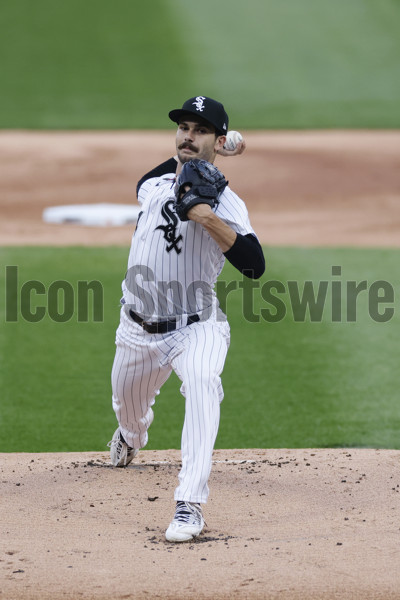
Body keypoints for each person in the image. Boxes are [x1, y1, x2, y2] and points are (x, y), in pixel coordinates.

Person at [108, 96, 265, 543]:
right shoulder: (154, 187)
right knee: (129, 412)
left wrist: (206, 216)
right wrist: (209, 154)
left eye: (200, 130)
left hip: (198, 326)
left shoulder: (228, 203)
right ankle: (130, 437)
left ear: (216, 138)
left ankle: (189, 503)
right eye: (184, 128)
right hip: (136, 330)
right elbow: (149, 175)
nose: (187, 136)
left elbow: (255, 265)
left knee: (202, 384)